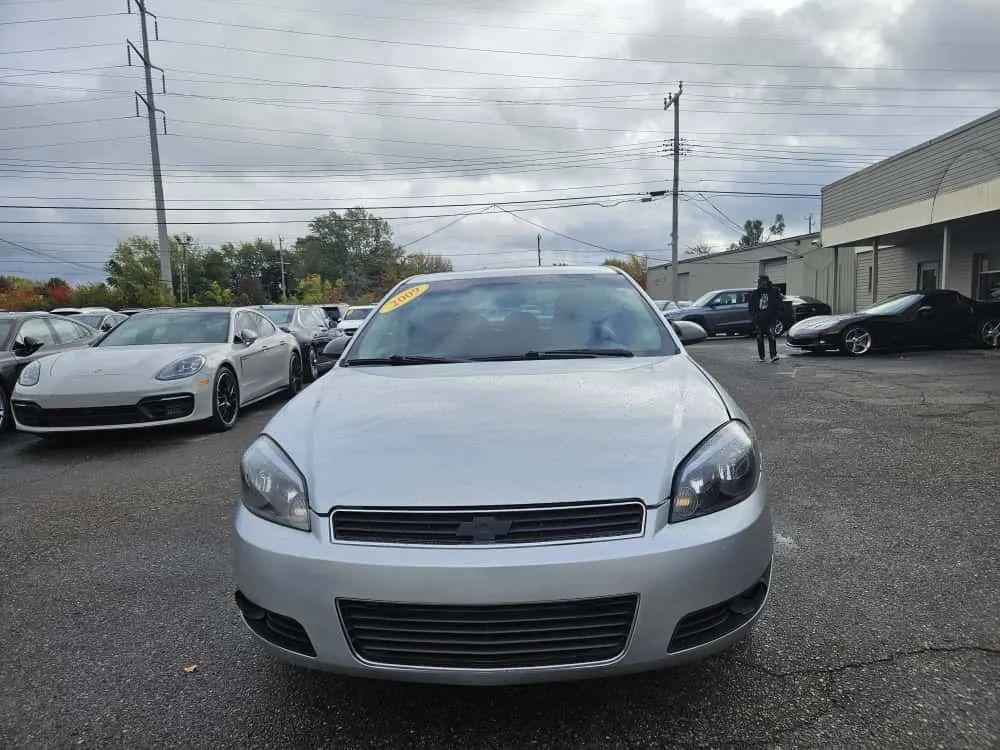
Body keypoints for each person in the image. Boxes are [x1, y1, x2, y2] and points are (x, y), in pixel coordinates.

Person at [748, 275, 783, 362]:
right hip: (759, 320)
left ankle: (773, 355)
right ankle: (762, 357)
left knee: (771, 336)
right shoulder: (755, 293)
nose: (759, 284)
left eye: (760, 282)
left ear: (765, 281)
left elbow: (779, 303)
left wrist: (777, 315)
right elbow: (751, 306)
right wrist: (754, 317)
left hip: (770, 319)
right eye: (758, 282)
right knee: (759, 338)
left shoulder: (773, 291)